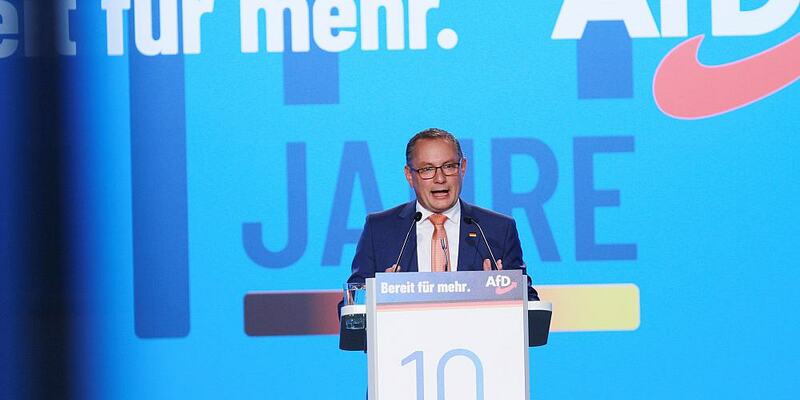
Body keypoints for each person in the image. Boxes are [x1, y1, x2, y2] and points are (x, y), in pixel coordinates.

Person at [344, 128, 538, 300]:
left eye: (449, 166)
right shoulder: (380, 229)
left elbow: (529, 306)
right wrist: (380, 295)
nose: (440, 178)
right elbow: (352, 306)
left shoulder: (497, 229)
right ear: (410, 176)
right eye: (427, 169)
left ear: (462, 167)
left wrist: (503, 295)